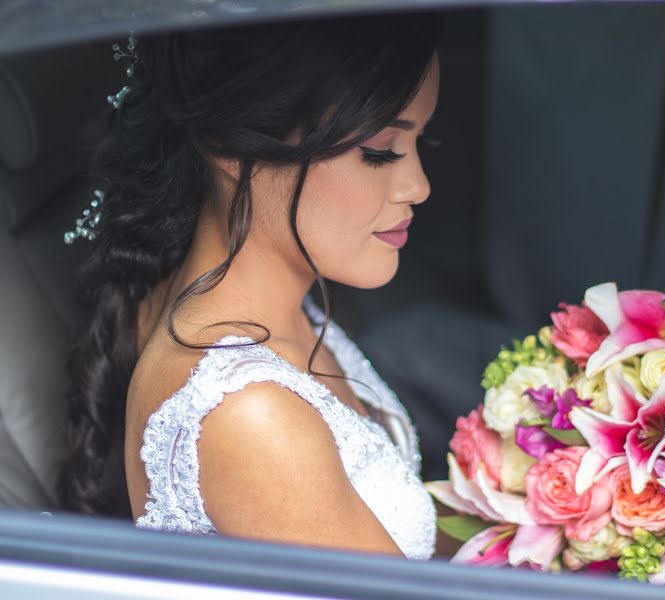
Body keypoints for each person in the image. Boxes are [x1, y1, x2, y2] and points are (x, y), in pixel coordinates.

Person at [56, 14, 442, 561]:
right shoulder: (251, 417)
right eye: (380, 150)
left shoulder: (264, 307)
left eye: (425, 140)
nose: (418, 186)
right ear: (234, 147)